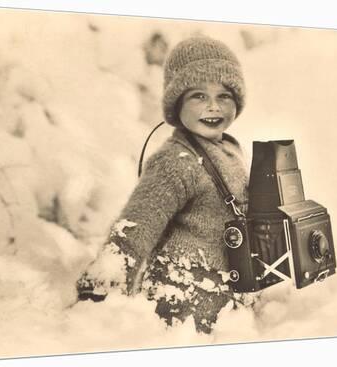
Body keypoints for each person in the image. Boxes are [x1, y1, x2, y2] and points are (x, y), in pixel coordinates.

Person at [77, 36, 257, 333]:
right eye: (198, 95)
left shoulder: (232, 151)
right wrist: (99, 288)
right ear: (177, 104)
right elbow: (138, 225)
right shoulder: (176, 161)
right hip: (182, 310)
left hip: (230, 309)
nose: (213, 107)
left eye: (224, 95)